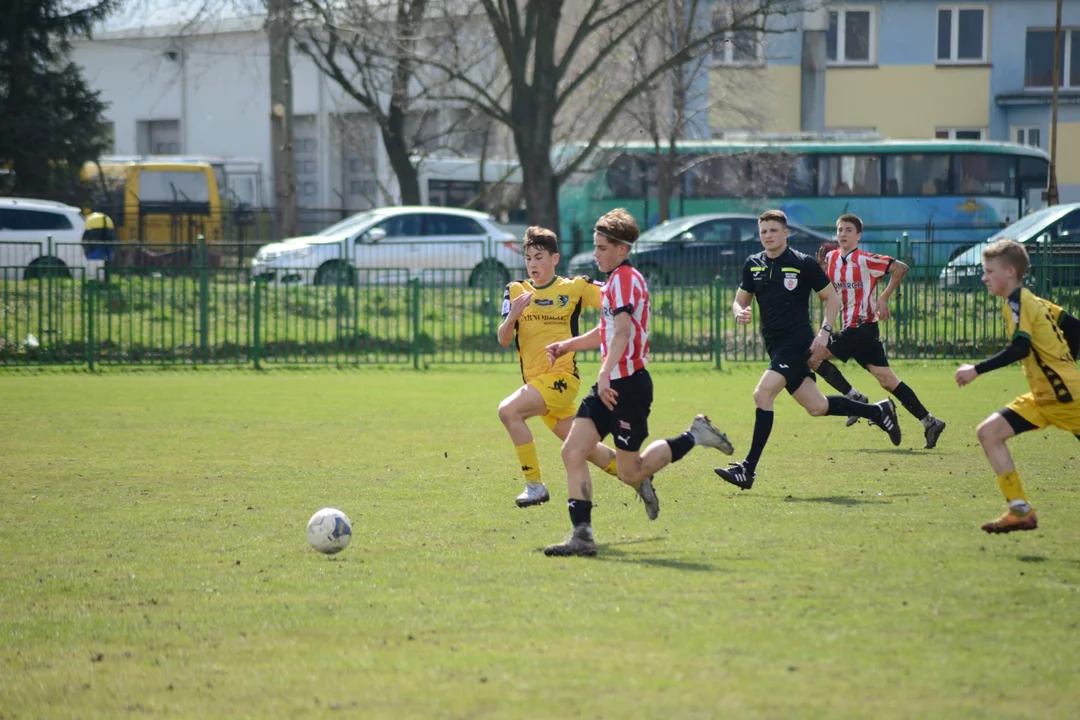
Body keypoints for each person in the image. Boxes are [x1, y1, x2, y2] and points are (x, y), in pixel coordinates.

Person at [542, 208, 735, 557]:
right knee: (573, 450)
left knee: (631, 472)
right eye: (596, 246)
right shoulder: (614, 280)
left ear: (622, 249)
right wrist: (567, 344)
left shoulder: (627, 279)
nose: (596, 253)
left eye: (602, 248)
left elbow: (624, 332)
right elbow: (607, 332)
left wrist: (603, 374)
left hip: (627, 387)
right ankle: (582, 536)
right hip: (609, 385)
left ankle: (695, 434)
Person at [715, 210, 902, 491]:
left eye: (773, 230)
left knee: (762, 394)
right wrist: (740, 311)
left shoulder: (802, 263)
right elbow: (740, 300)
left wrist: (825, 331)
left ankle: (747, 469)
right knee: (816, 407)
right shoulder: (753, 263)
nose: (768, 236)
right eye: (763, 231)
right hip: (775, 346)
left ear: (785, 232)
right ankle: (877, 411)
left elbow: (832, 297)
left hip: (796, 342)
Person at [955, 240, 1080, 533]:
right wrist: (1062, 364)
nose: (984, 277)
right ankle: (1020, 510)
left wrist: (976, 370)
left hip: (1067, 397)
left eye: (989, 271)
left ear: (1009, 272)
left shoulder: (1019, 300)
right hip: (1044, 397)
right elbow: (1075, 328)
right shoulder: (1035, 301)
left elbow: (1020, 348)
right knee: (989, 433)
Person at [497, 226, 623, 510]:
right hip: (538, 387)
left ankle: (535, 486)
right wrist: (513, 315)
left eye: (539, 257)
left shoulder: (575, 287)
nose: (532, 264)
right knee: (586, 449)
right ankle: (637, 478)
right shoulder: (516, 290)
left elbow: (616, 302)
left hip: (562, 380)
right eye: (528, 258)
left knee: (509, 411)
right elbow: (504, 339)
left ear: (555, 258)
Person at [809, 213, 947, 449]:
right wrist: (821, 273)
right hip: (859, 331)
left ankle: (855, 398)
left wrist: (883, 297)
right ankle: (930, 422)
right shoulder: (831, 259)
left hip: (860, 327)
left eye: (849, 230)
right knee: (887, 380)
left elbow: (900, 268)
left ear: (859, 235)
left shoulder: (865, 260)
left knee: (813, 358)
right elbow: (824, 296)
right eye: (840, 229)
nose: (843, 234)